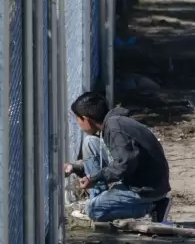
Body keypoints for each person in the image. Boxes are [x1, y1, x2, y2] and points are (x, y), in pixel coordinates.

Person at [64, 92, 172, 223]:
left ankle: (153, 207)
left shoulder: (115, 129)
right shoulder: (114, 122)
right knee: (90, 143)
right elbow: (119, 159)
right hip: (143, 178)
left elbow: (124, 164)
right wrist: (76, 167)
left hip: (146, 189)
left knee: (93, 210)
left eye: (78, 120)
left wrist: (94, 178)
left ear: (86, 119)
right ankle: (98, 199)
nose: (78, 124)